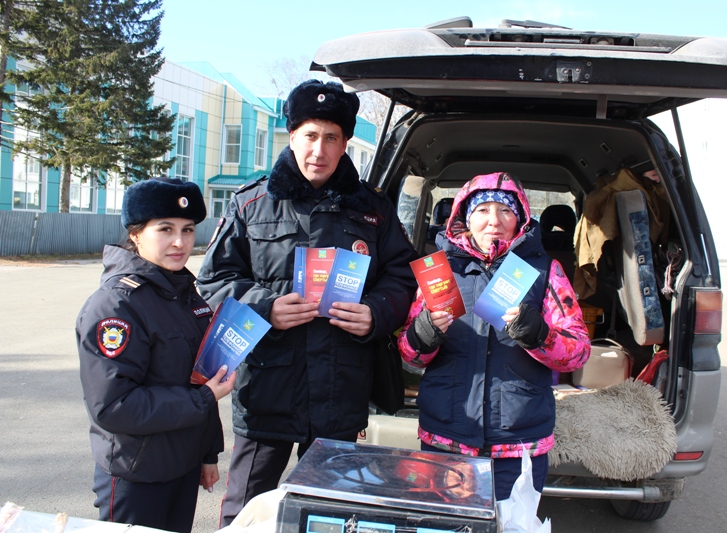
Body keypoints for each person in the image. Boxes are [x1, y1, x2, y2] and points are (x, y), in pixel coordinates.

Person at [196, 79, 418, 526]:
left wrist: (376, 313)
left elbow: (402, 276)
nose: (319, 149)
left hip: (342, 391)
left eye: (331, 138)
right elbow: (213, 280)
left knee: (329, 515)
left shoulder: (374, 211)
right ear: (292, 135)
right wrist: (265, 308)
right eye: (310, 136)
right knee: (247, 514)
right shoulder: (250, 204)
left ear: (345, 143)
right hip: (267, 393)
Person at [397, 172, 591, 501]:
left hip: (518, 442)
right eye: (482, 210)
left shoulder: (546, 272)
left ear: (520, 218)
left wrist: (539, 335)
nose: (493, 221)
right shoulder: (439, 270)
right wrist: (424, 333)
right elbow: (409, 355)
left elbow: (579, 352)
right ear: (465, 217)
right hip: (446, 436)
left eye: (505, 210)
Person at [76, 177, 235, 533]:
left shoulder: (186, 295)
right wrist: (203, 399)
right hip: (138, 474)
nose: (180, 242)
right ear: (135, 234)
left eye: (188, 229)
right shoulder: (117, 305)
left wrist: (207, 454)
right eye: (165, 229)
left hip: (182, 465)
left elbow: (199, 376)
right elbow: (114, 406)